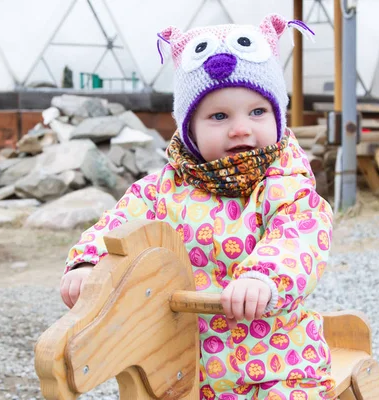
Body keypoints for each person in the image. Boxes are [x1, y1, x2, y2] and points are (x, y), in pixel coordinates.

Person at [60, 14, 335, 400]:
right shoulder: (162, 190)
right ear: (188, 129)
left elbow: (298, 240)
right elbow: (119, 225)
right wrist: (89, 263)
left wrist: (263, 278)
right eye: (219, 116)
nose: (241, 128)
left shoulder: (287, 188)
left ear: (278, 116)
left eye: (257, 112)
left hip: (277, 364)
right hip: (183, 361)